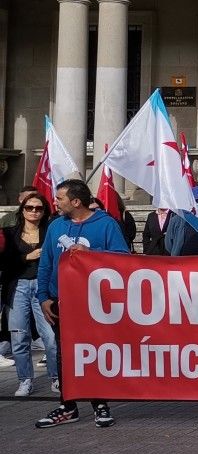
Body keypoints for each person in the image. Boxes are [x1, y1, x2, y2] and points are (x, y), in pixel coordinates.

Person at [35, 179, 128, 429]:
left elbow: (123, 259)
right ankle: (68, 406)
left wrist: (91, 253)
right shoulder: (56, 226)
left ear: (75, 202)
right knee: (64, 355)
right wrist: (43, 297)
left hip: (94, 303)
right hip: (60, 302)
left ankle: (100, 404)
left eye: (60, 198)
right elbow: (46, 263)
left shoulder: (107, 224)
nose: (55, 201)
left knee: (93, 353)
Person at [3, 193, 57, 397]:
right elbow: (4, 262)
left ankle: (56, 377)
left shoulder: (50, 232)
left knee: (50, 337)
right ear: (22, 209)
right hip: (18, 287)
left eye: (39, 208)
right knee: (19, 337)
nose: (34, 211)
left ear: (44, 211)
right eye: (29, 207)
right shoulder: (9, 233)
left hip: (43, 288)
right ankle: (25, 380)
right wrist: (27, 256)